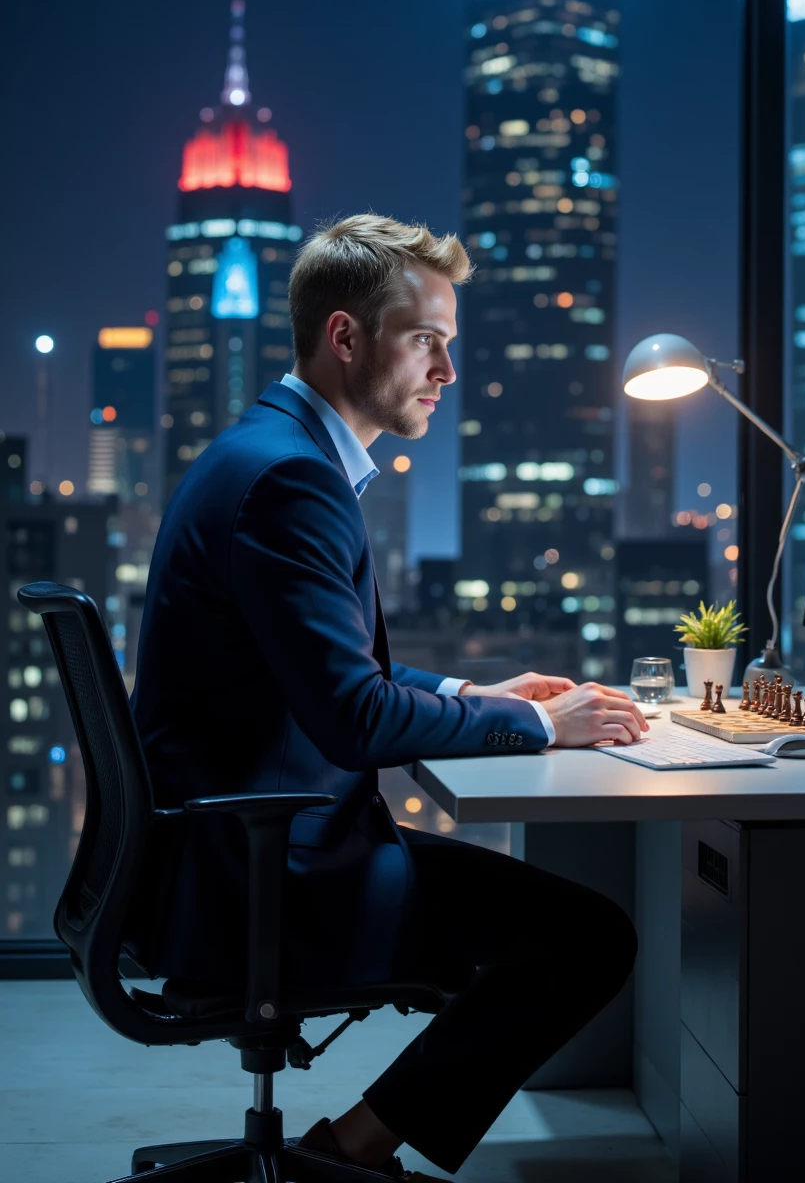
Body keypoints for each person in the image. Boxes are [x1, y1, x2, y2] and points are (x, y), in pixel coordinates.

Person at [132, 213, 645, 1181]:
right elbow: (352, 717)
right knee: (586, 937)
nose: (447, 370)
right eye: (427, 340)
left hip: (224, 852)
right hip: (268, 877)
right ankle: (354, 1154)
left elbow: (319, 671)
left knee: (537, 916)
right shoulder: (291, 479)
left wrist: (468, 690)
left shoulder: (267, 450)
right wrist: (537, 722)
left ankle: (354, 1147)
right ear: (345, 337)